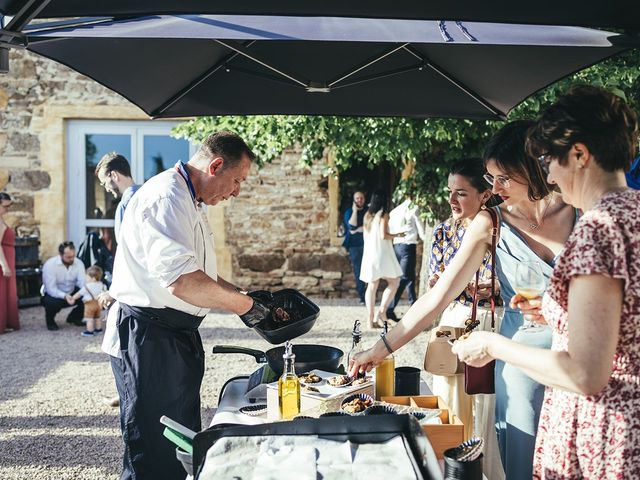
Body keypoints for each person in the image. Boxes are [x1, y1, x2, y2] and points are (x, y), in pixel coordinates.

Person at [349, 121, 577, 480]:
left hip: (584, 359)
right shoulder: (491, 221)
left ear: (531, 168)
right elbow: (437, 298)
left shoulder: (580, 212)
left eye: (503, 178)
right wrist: (380, 348)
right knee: (526, 465)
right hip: (522, 365)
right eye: (490, 179)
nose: (494, 189)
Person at [453, 85, 640, 479]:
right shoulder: (633, 213)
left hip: (602, 431)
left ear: (579, 154)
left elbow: (583, 374)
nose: (548, 173)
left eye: (548, 159)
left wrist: (492, 343)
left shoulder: (596, 228)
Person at [108, 131, 270, 480]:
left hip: (172, 337)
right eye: (237, 180)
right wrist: (244, 306)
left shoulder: (189, 198)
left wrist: (247, 296)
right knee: (153, 450)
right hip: (147, 337)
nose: (237, 191)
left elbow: (202, 273)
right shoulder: (166, 196)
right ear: (215, 165)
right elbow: (182, 281)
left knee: (179, 445)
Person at [425, 158, 504, 477]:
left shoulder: (502, 230)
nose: (451, 200)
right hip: (454, 319)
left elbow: (508, 284)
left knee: (489, 410)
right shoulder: (443, 231)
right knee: (450, 403)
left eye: (461, 192)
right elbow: (435, 279)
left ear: (485, 195)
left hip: (493, 320)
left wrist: (488, 286)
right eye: (449, 192)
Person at [94, 153, 141, 407]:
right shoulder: (144, 194)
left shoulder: (127, 202)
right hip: (139, 286)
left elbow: (127, 250)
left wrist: (115, 290)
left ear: (114, 175)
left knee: (117, 343)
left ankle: (126, 396)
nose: (105, 188)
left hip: (129, 286)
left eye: (104, 182)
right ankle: (127, 394)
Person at [359, 190, 404, 329]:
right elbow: (384, 236)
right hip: (382, 254)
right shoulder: (384, 215)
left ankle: (370, 319)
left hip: (369, 254)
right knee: (394, 282)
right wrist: (398, 234)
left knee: (372, 286)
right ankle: (382, 312)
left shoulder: (367, 216)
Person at [385, 198, 426, 321]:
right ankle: (389, 309)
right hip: (408, 245)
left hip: (397, 245)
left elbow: (390, 229)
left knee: (409, 278)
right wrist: (425, 238)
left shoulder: (394, 211)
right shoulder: (414, 209)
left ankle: (413, 307)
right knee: (405, 278)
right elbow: (421, 230)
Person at [41, 241, 86, 331]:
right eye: (69, 257)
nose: (72, 259)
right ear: (60, 255)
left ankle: (74, 317)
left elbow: (83, 283)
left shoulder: (79, 263)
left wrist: (81, 294)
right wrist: (65, 296)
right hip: (54, 293)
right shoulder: (50, 265)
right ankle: (50, 321)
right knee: (51, 303)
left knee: (87, 296)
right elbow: (51, 289)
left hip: (72, 290)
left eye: (73, 256)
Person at [343, 191, 367, 304]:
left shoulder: (368, 211)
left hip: (367, 244)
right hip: (354, 246)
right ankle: (362, 296)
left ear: (364, 199)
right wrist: (355, 211)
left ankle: (369, 295)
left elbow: (368, 227)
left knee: (368, 270)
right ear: (354, 200)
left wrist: (359, 229)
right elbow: (352, 227)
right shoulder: (349, 212)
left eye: (361, 198)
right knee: (358, 271)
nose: (359, 200)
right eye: (357, 198)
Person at [0, 192, 19, 334]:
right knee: (3, 292)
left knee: (6, 292)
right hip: (3, 260)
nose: (7, 209)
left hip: (7, 258)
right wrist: (4, 264)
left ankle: (5, 322)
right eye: (5, 206)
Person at [71, 265, 107, 337]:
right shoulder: (102, 285)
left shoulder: (87, 286)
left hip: (89, 305)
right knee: (97, 317)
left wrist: (73, 298)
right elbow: (105, 293)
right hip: (98, 304)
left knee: (89, 319)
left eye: (87, 277)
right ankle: (98, 329)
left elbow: (79, 294)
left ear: (93, 278)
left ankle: (90, 331)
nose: (86, 278)